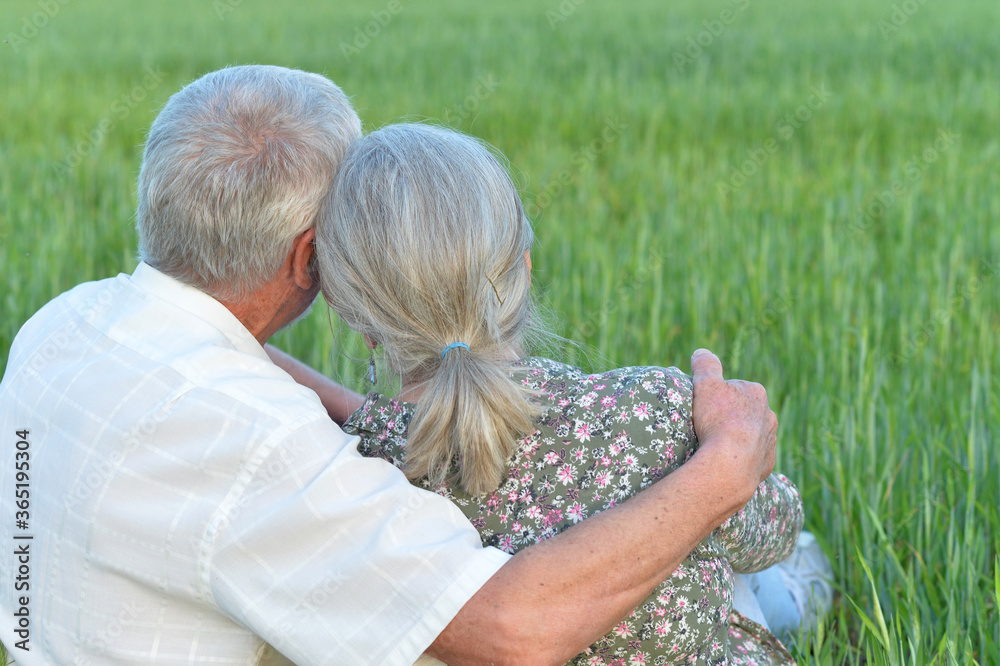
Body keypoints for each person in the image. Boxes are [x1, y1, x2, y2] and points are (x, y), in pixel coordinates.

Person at [0, 65, 779, 665]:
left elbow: (231, 390)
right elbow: (515, 630)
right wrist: (725, 470)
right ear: (314, 260)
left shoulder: (65, 323)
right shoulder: (263, 446)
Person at [316, 123, 812, 664]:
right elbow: (771, 533)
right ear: (524, 267)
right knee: (756, 571)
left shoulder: (350, 479)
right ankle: (802, 592)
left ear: (355, 318)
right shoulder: (655, 408)